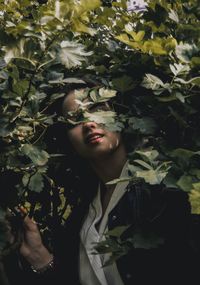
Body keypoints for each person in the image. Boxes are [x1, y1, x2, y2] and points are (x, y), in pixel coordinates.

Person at [3, 86, 198, 285]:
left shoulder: (164, 193)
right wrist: (38, 255)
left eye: (97, 109)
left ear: (121, 117)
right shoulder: (81, 217)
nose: (88, 123)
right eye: (74, 119)